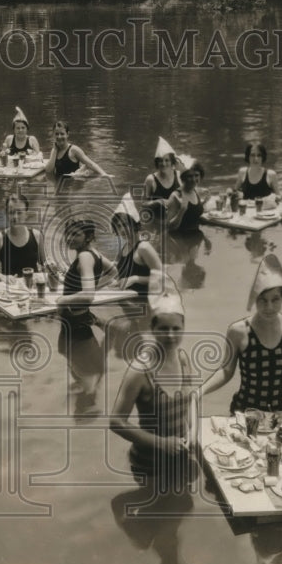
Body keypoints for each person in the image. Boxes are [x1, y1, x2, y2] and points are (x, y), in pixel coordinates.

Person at [110, 288, 198, 494]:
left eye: (176, 329)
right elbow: (115, 421)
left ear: (183, 328)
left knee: (180, 508)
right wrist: (161, 443)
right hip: (149, 464)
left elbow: (191, 398)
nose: (170, 335)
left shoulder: (183, 359)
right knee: (153, 515)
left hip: (180, 456)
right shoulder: (140, 371)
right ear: (152, 328)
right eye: (163, 328)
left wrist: (193, 430)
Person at [202, 254, 282, 413]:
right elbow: (226, 371)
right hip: (247, 411)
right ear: (254, 299)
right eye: (262, 300)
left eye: (275, 299)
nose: (269, 307)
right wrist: (200, 391)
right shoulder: (238, 331)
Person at [55, 218, 119, 403]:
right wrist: (97, 285)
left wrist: (63, 300)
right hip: (81, 318)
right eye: (68, 233)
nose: (70, 238)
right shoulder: (94, 254)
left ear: (89, 236)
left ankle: (86, 390)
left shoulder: (84, 257)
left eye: (76, 234)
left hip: (75, 322)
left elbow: (88, 295)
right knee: (70, 356)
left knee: (67, 353)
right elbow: (114, 272)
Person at [108, 193, 165, 359]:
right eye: (118, 226)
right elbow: (119, 274)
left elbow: (163, 279)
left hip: (147, 307)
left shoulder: (144, 248)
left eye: (125, 224)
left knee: (146, 348)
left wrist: (135, 279)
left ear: (134, 225)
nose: (122, 229)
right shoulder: (125, 248)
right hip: (131, 306)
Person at [0, 193, 45, 282]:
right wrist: (3, 277)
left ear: (26, 214)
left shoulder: (37, 236)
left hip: (32, 286)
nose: (15, 217)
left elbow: (44, 264)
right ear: (6, 214)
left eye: (19, 212)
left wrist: (51, 268)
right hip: (10, 288)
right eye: (11, 212)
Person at [142, 137, 181, 209]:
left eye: (167, 160)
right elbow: (143, 203)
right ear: (157, 162)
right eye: (160, 161)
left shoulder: (179, 176)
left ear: (172, 161)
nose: (163, 164)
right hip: (157, 217)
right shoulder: (151, 179)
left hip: (176, 218)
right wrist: (157, 202)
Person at [165, 164, 205, 232]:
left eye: (196, 175)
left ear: (200, 176)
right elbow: (169, 227)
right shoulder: (175, 196)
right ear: (184, 178)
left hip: (196, 235)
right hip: (180, 238)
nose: (193, 179)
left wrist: (205, 201)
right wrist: (182, 211)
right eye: (190, 176)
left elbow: (193, 214)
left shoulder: (196, 191)